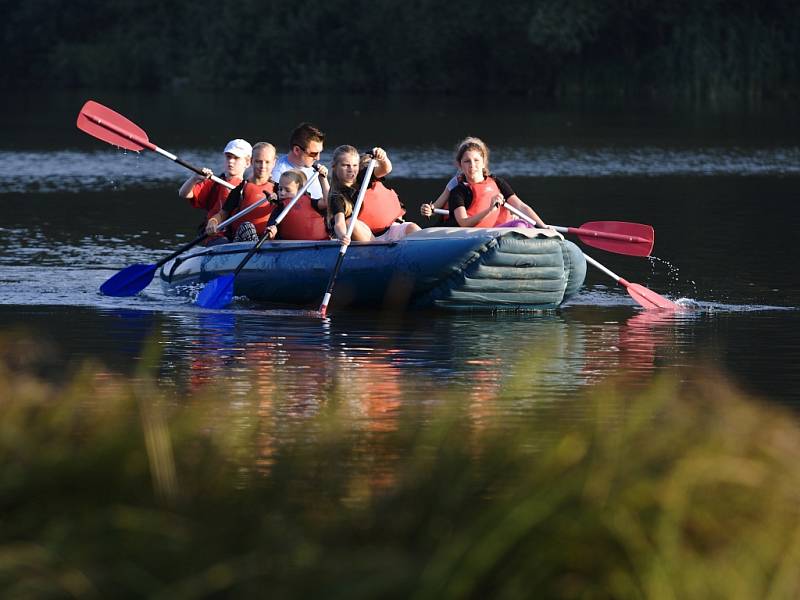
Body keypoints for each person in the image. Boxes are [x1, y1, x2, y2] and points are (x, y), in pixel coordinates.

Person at [426, 137, 548, 229]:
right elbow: (464, 223)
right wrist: (490, 209)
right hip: (471, 236)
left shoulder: (497, 182)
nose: (472, 165)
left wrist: (544, 227)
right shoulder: (458, 191)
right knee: (519, 225)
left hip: (494, 232)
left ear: (484, 162)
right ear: (460, 165)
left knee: (522, 225)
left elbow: (521, 206)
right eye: (467, 161)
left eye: (476, 160)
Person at [327, 145, 420, 246]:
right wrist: (343, 236)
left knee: (412, 227)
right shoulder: (337, 196)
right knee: (350, 223)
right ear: (334, 166)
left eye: (354, 165)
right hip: (369, 239)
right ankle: (380, 253)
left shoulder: (363, 176)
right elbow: (339, 223)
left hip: (390, 230)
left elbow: (386, 169)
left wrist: (383, 158)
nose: (351, 169)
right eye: (345, 165)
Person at [178, 138, 251, 245]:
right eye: (228, 157)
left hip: (238, 236)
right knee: (224, 242)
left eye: (236, 158)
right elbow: (183, 193)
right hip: (216, 236)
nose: (231, 161)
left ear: (248, 162)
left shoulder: (249, 186)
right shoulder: (214, 183)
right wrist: (194, 178)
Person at [204, 142, 277, 242]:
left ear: (274, 163)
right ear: (251, 161)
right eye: (258, 161)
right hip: (242, 241)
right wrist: (213, 221)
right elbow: (222, 214)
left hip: (267, 239)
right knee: (247, 227)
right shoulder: (241, 189)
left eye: (267, 162)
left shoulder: (279, 189)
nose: (263, 166)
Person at [262, 168, 330, 241]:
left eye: (287, 190)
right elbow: (270, 228)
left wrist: (323, 179)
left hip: (319, 247)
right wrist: (272, 233)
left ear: (300, 190)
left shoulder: (311, 203)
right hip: (291, 248)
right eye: (280, 189)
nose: (282, 193)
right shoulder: (280, 207)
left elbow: (328, 202)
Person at [271, 123, 327, 209]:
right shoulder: (277, 174)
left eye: (320, 153)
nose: (318, 158)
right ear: (297, 150)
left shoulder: (315, 170)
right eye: (313, 154)